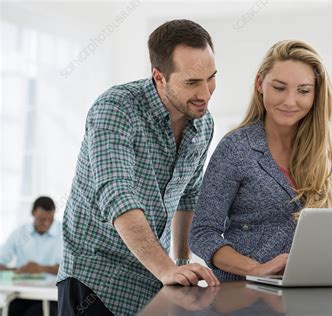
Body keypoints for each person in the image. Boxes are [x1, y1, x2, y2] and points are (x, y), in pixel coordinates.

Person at [57, 19, 219, 316]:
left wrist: (180, 265)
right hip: (96, 282)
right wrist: (167, 268)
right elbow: (118, 195)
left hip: (154, 283)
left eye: (211, 78)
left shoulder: (203, 124)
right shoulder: (116, 109)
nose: (206, 94)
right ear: (159, 76)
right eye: (192, 82)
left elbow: (188, 197)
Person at [190, 40, 332, 281]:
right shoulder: (235, 148)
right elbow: (202, 233)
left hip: (308, 294)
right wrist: (254, 268)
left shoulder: (326, 157)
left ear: (316, 94)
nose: (289, 101)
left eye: (303, 91)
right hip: (243, 295)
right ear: (260, 84)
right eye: (279, 87)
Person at [0, 196, 62, 315]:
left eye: (50, 219)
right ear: (33, 213)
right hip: (22, 294)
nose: (47, 223)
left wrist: (42, 269)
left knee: (34, 313)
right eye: (42, 219)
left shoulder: (64, 233)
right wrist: (18, 270)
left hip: (52, 297)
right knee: (9, 310)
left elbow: (73, 268)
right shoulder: (20, 233)